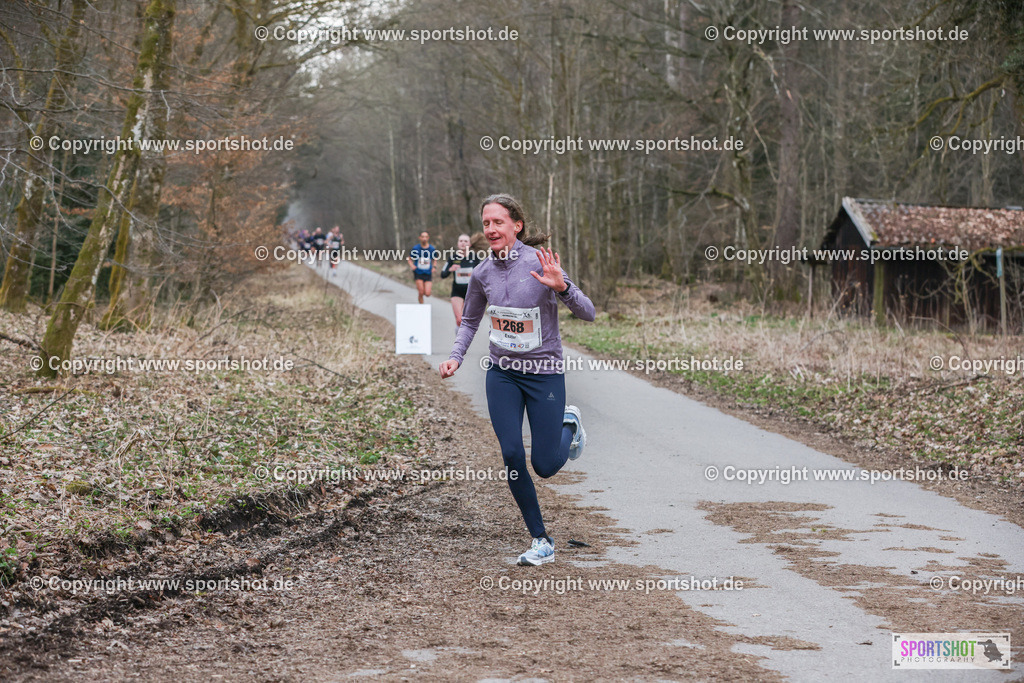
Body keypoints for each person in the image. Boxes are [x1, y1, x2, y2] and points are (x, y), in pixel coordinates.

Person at [438, 194, 594, 566]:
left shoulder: (540, 263)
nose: (491, 229)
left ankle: (569, 425)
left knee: (544, 465)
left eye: (498, 222)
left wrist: (562, 288)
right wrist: (455, 356)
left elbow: (587, 312)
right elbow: (472, 320)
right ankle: (541, 539)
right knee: (511, 454)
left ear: (516, 226)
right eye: (486, 223)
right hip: (503, 374)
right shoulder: (482, 273)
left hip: (544, 376)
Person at [440, 233, 482, 328]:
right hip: (457, 292)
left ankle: (464, 340)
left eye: (465, 241)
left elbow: (482, 274)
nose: (463, 243)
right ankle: (459, 342)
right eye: (461, 241)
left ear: (470, 244)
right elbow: (443, 274)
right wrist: (451, 269)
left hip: (471, 292)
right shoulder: (453, 258)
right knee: (459, 319)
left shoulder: (475, 258)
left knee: (467, 320)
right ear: (458, 244)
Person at [407, 231, 438, 304]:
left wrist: (434, 267)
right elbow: (409, 259)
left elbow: (435, 259)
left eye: (426, 237)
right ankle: (422, 305)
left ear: (428, 238)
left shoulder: (432, 249)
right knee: (421, 291)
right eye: (422, 237)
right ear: (420, 238)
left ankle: (422, 294)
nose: (424, 238)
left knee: (427, 293)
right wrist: (412, 266)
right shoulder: (416, 248)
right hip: (418, 272)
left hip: (428, 272)